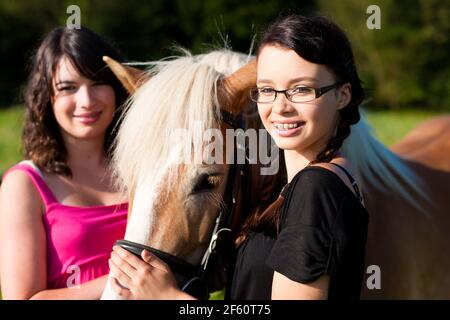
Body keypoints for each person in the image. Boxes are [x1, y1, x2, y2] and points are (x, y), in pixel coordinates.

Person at [107, 14, 368, 300]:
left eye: (301, 89)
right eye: (267, 90)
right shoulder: (307, 185)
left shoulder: (315, 190)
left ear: (343, 95)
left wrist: (168, 297)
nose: (280, 107)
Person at [0, 26, 129, 299]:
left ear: (116, 87)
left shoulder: (142, 170)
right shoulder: (24, 184)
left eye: (98, 83)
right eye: (68, 87)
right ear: (47, 96)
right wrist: (120, 283)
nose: (86, 101)